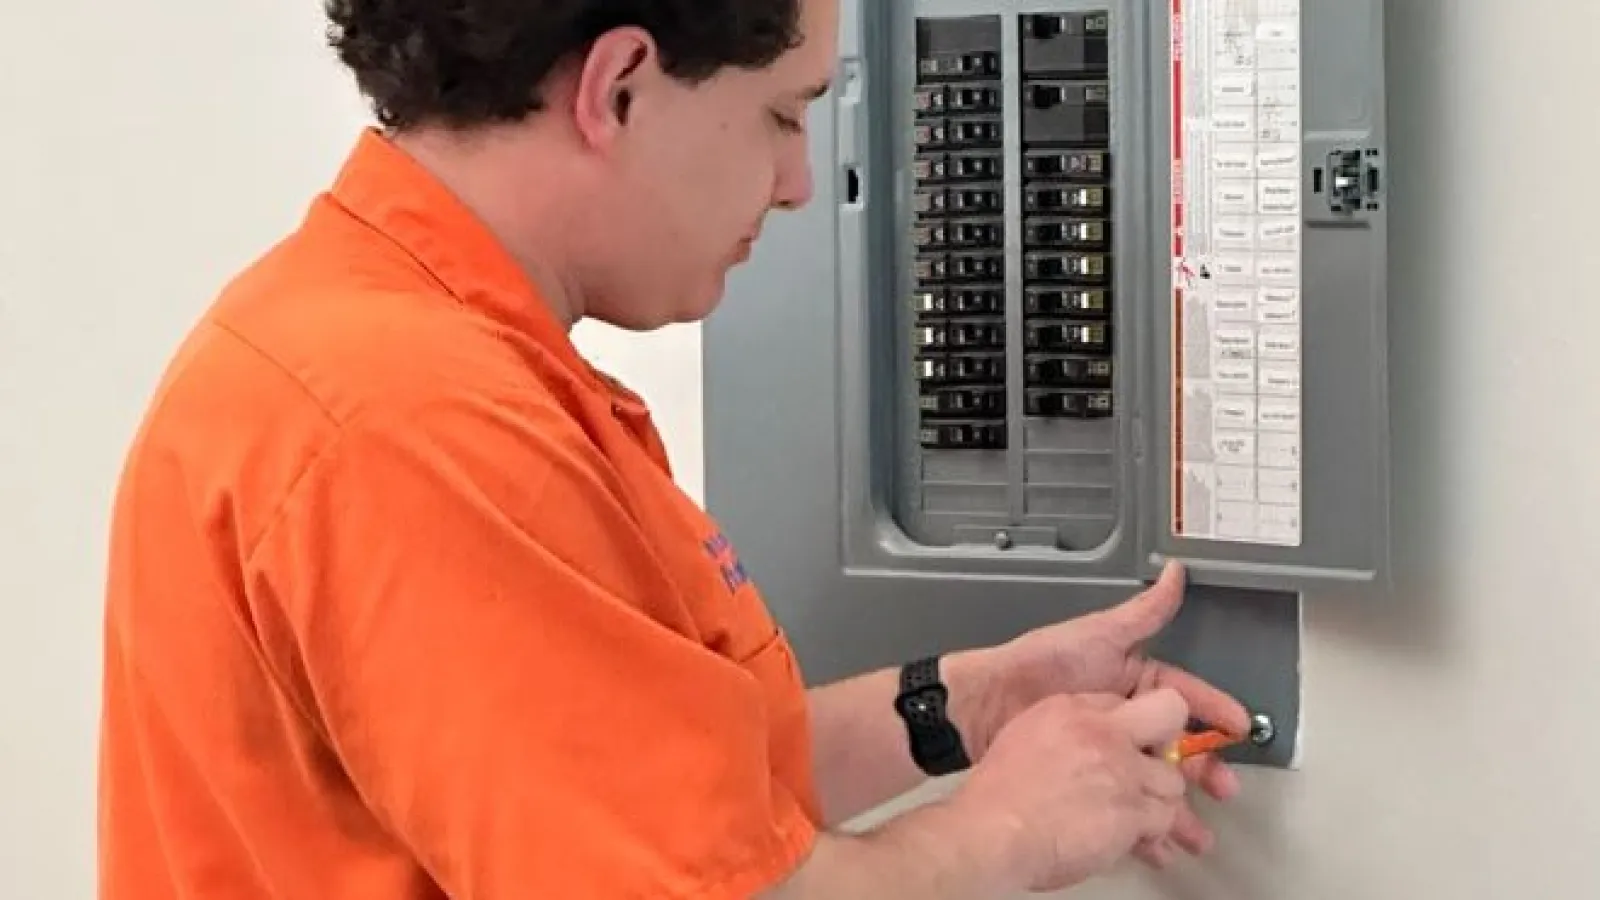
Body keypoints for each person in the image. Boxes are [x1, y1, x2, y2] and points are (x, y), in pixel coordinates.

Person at [96, 0, 1252, 897]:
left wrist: (969, 703)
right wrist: (1006, 827)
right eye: (783, 115)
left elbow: (637, 799)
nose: (800, 185)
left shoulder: (396, 351)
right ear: (622, 86)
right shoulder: (414, 423)